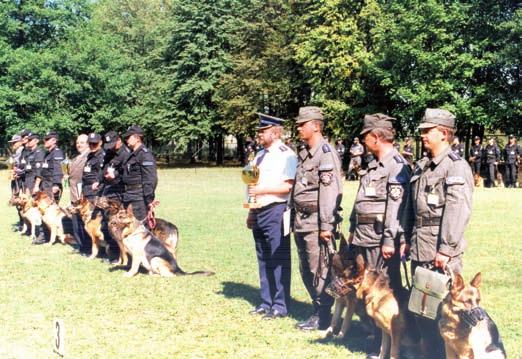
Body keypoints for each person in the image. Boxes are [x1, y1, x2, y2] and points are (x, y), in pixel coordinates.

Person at [403, 108, 473, 359]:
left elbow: (457, 211)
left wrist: (445, 248)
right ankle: (428, 352)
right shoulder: (422, 166)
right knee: (422, 308)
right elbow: (411, 208)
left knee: (445, 311)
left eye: (427, 131)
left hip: (440, 250)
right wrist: (406, 238)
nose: (422, 135)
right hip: (420, 246)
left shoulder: (455, 167)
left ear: (443, 133)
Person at [291, 106, 343, 331]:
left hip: (316, 221)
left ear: (316, 126)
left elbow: (329, 193)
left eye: (303, 124)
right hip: (302, 220)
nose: (299, 128)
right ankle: (317, 308)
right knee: (306, 268)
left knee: (319, 269)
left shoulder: (325, 153)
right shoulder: (304, 153)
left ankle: (323, 314)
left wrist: (326, 225)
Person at [348, 114, 411, 293]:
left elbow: (396, 207)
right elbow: (361, 198)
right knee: (365, 283)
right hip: (364, 235)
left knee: (382, 287)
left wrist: (389, 240)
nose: (363, 140)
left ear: (376, 137)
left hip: (378, 238)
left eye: (365, 136)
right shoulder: (373, 164)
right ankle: (368, 322)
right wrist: (353, 227)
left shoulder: (396, 166)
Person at [245, 113, 297, 320]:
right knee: (263, 258)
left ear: (275, 133)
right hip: (258, 210)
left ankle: (281, 304)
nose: (259, 135)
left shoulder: (286, 155)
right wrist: (251, 210)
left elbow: (288, 186)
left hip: (275, 209)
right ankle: (266, 301)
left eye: (262, 131)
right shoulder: (257, 156)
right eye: (258, 131)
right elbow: (250, 186)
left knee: (278, 257)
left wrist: (263, 190)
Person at [122, 125, 158, 222]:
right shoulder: (131, 155)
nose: (126, 140)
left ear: (137, 138)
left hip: (139, 198)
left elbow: (150, 179)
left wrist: (149, 199)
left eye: (128, 137)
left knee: (140, 231)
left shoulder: (144, 155)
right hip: (128, 196)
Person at [69, 134, 90, 254]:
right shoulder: (77, 157)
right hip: (74, 193)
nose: (79, 144)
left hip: (81, 195)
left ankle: (86, 247)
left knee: (83, 222)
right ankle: (81, 246)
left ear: (87, 144)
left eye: (82, 142)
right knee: (76, 221)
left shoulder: (88, 157)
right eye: (77, 142)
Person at [101, 131, 130, 200]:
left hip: (119, 190)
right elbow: (103, 167)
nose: (111, 148)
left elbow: (126, 171)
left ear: (119, 140)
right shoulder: (109, 152)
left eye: (113, 145)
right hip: (106, 187)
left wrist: (115, 174)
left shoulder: (126, 154)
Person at [37, 131, 65, 202]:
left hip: (52, 185)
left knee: (51, 209)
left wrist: (56, 185)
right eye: (44, 139)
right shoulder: (48, 153)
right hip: (45, 184)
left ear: (54, 140)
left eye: (47, 139)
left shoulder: (57, 152)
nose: (44, 141)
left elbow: (58, 169)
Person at [82, 133, 105, 203]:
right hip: (86, 189)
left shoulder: (102, 156)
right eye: (90, 144)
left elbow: (102, 173)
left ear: (100, 143)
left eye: (94, 144)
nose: (92, 146)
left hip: (95, 190)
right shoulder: (90, 155)